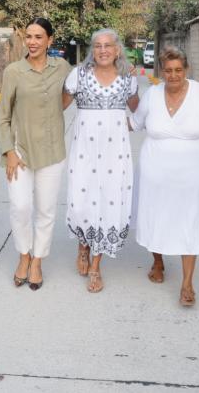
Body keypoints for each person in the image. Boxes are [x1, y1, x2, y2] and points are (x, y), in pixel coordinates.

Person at [130, 46, 199, 307]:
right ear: (161, 71)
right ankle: (158, 262)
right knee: (156, 216)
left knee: (190, 220)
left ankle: (187, 284)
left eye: (178, 70)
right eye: (168, 70)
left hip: (193, 171)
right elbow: (135, 123)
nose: (173, 75)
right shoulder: (152, 94)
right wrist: (122, 95)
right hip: (155, 170)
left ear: (186, 70)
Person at [0, 17, 72, 291]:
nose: (32, 42)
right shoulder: (14, 71)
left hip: (52, 152)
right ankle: (23, 255)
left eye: (39, 37)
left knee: (46, 210)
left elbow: (74, 91)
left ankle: (37, 261)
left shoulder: (62, 67)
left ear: (50, 40)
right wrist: (9, 151)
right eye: (28, 36)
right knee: (20, 207)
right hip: (21, 151)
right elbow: (3, 116)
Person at [62, 28, 139, 293]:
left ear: (117, 50)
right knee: (82, 201)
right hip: (84, 152)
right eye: (97, 46)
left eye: (108, 45)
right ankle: (83, 246)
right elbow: (58, 106)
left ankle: (96, 266)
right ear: (92, 50)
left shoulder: (128, 78)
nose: (103, 50)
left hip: (115, 154)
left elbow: (140, 110)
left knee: (109, 202)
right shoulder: (78, 75)